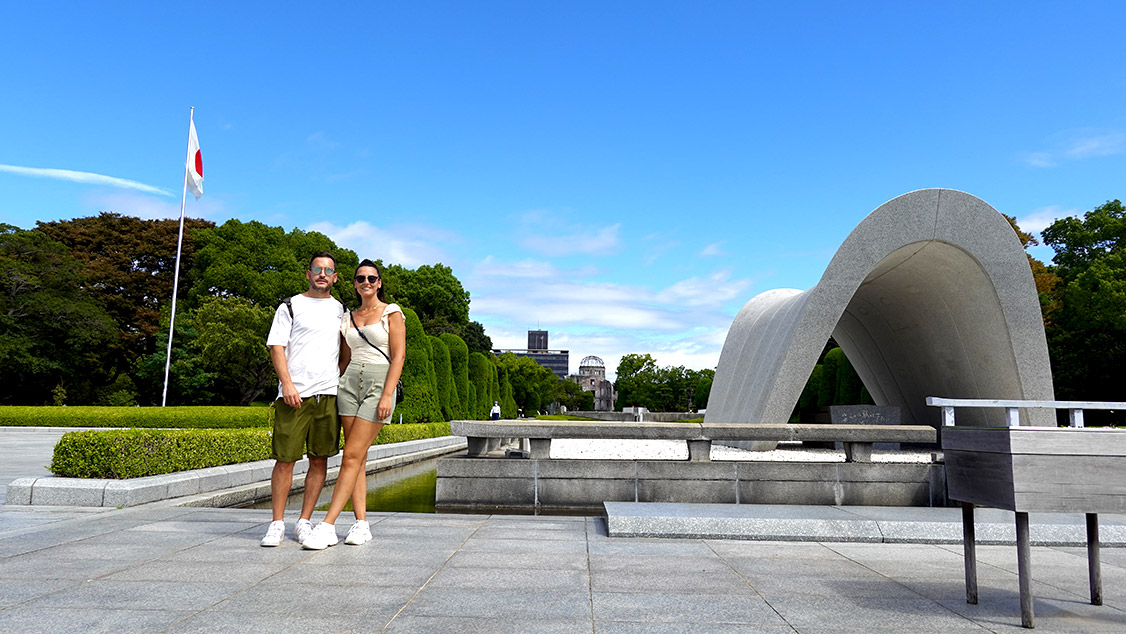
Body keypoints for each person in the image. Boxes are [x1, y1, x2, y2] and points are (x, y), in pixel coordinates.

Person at [302, 259, 405, 550]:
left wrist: (387, 394)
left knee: (350, 456)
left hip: (378, 384)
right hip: (348, 386)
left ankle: (327, 525)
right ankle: (361, 524)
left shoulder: (392, 312)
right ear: (354, 284)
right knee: (356, 458)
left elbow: (398, 356)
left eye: (372, 278)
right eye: (361, 278)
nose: (366, 283)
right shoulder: (348, 317)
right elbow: (344, 359)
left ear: (379, 283)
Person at [260, 252, 344, 547]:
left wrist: (335, 378)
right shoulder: (291, 306)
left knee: (319, 460)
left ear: (335, 277)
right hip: (294, 394)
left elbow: (345, 351)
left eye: (328, 271)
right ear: (308, 274)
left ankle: (304, 521)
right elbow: (276, 346)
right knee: (285, 460)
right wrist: (287, 384)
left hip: (327, 395)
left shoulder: (340, 310)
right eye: (317, 269)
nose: (322, 274)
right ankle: (276, 523)